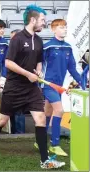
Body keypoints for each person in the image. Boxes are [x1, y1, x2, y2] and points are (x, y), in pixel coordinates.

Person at [0, 5, 65, 169]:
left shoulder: (38, 40)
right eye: (42, 20)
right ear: (33, 20)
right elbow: (8, 62)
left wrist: (38, 70)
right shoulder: (17, 39)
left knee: (40, 119)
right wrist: (27, 74)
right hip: (14, 88)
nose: (44, 23)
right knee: (1, 120)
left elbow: (39, 59)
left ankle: (45, 160)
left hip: (32, 88)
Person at [34, 19, 86, 156]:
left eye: (65, 27)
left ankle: (39, 140)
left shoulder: (68, 47)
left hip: (59, 86)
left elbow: (72, 69)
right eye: (61, 27)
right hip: (48, 85)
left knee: (47, 113)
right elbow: (38, 65)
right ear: (53, 29)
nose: (65, 29)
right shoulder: (47, 47)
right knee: (60, 110)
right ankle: (54, 144)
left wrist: (83, 83)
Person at [9, 29, 26, 134]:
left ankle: (20, 134)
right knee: (11, 110)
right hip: (11, 83)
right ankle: (14, 132)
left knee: (19, 111)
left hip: (21, 84)